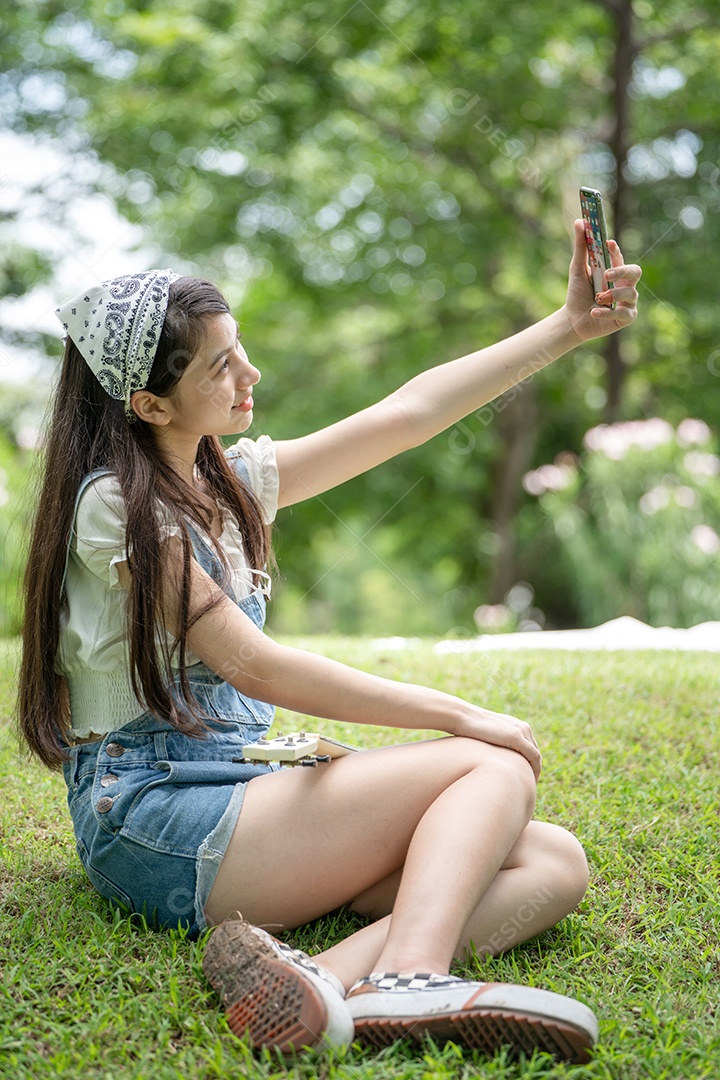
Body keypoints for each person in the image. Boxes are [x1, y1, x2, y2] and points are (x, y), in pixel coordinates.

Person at [17, 223, 640, 1061]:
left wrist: (568, 326)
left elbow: (408, 415)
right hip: (154, 818)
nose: (250, 375)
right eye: (220, 366)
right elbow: (251, 663)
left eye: (241, 350)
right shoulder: (116, 507)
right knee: (487, 766)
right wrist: (461, 715)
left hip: (230, 795)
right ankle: (412, 977)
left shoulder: (220, 480)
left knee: (551, 864)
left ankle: (320, 979)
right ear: (150, 405)